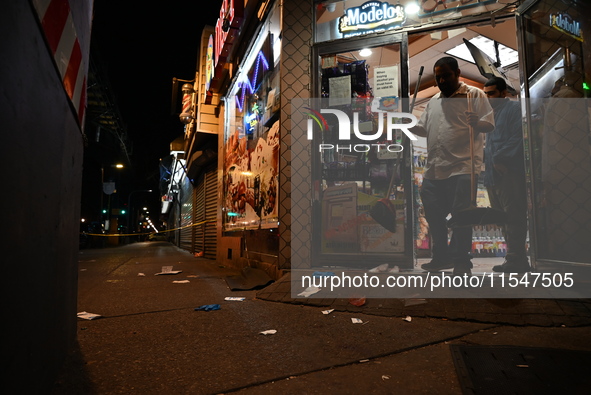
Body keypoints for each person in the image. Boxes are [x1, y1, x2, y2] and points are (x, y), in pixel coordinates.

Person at [412, 57, 494, 275]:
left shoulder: (473, 95)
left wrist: (477, 122)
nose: (441, 80)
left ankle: (461, 262)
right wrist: (406, 124)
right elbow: (423, 128)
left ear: (457, 72)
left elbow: (489, 123)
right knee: (432, 214)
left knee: (462, 216)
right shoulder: (434, 101)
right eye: (438, 76)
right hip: (434, 169)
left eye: (445, 75)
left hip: (463, 167)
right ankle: (441, 257)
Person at [482, 77, 530, 273]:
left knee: (514, 217)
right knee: (501, 217)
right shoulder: (489, 115)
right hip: (493, 176)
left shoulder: (513, 109)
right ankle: (513, 258)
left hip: (508, 172)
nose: (488, 98)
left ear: (503, 93)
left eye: (492, 93)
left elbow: (518, 137)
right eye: (486, 94)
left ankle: (517, 258)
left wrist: (499, 159)